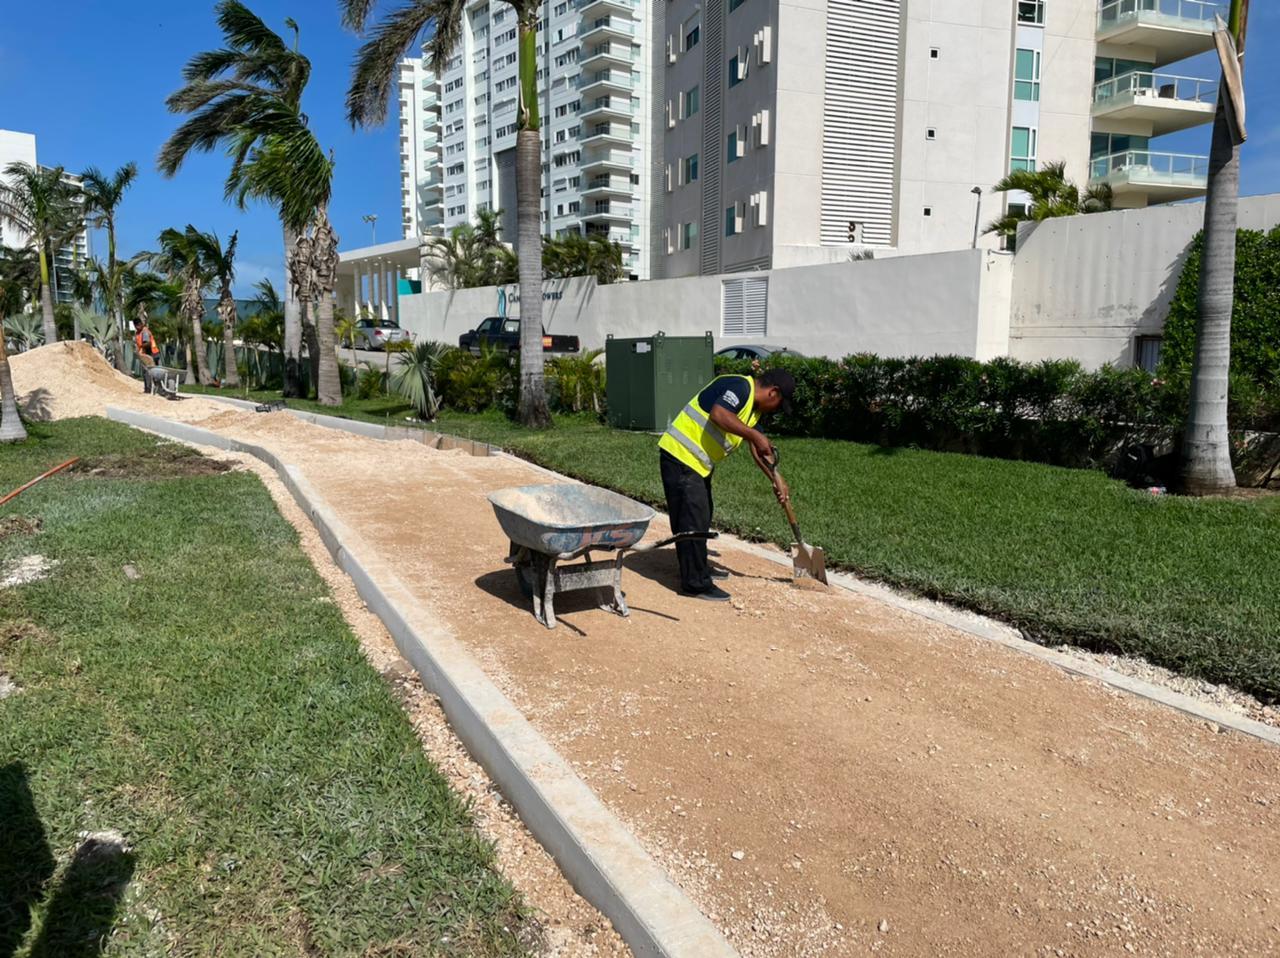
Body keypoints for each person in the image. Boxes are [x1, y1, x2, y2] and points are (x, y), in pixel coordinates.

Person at [658, 368, 795, 601]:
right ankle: (695, 583)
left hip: (697, 462)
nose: (775, 411)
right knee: (692, 518)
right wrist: (754, 435)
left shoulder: (753, 410)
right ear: (773, 393)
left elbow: (759, 449)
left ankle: (698, 567)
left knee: (701, 514)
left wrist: (777, 479)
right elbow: (719, 414)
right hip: (680, 455)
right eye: (779, 405)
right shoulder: (740, 387)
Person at [134, 318, 160, 394]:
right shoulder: (138, 332)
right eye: (137, 326)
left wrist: (141, 346)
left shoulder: (144, 331)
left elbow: (148, 343)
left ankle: (149, 390)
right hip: (148, 354)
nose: (138, 327)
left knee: (148, 372)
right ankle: (150, 389)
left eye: (139, 325)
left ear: (140, 324)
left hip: (152, 354)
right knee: (149, 372)